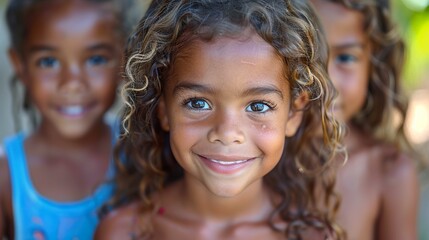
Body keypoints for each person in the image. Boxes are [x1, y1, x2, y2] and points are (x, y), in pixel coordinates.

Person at [95, 0, 346, 239]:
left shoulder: (310, 236)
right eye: (197, 103)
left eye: (258, 106)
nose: (226, 133)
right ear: (163, 109)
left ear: (293, 114)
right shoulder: (125, 232)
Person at [0, 0, 130, 238]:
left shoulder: (144, 154)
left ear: (124, 59)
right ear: (20, 66)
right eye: (48, 62)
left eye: (96, 59)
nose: (72, 83)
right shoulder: (6, 176)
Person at [309, 0, 419, 239]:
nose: (327, 83)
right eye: (306, 57)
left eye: (346, 58)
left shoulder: (389, 171)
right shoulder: (245, 159)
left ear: (374, 65)